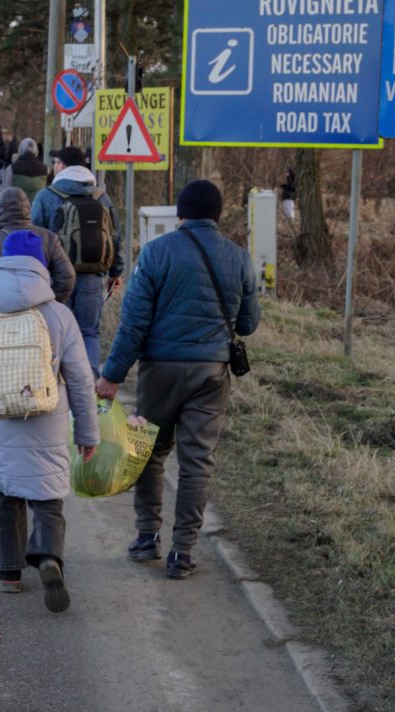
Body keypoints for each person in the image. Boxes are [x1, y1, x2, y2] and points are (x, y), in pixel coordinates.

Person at [95, 180, 261, 580]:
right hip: (211, 372)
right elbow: (248, 323)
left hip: (160, 371)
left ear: (181, 214)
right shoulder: (239, 258)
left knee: (149, 452)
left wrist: (112, 376)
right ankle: (183, 552)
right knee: (196, 462)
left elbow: (134, 323)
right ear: (218, 215)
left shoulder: (156, 253)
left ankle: (147, 536)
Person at [0, 231, 98, 612]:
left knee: (6, 496)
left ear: (2, 262)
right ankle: (49, 557)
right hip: (47, 418)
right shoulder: (59, 314)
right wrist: (87, 432)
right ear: (41, 266)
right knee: (47, 497)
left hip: (0, 415)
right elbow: (82, 379)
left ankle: (9, 574)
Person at [31, 146, 124, 374]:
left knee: (56, 331)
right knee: (89, 332)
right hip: (92, 276)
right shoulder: (102, 197)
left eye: (56, 163)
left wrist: (35, 274)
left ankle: (57, 384)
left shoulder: (47, 196)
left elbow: (35, 237)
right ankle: (89, 384)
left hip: (57, 278)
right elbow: (115, 236)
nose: (54, 167)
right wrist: (115, 271)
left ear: (63, 166)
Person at [0, 187, 75, 332]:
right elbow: (67, 276)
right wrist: (50, 300)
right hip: (39, 315)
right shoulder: (48, 238)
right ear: (27, 209)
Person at [1, 137, 47, 204]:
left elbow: (5, 192)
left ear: (20, 149)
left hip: (17, 209)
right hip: (36, 210)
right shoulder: (44, 169)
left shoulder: (12, 168)